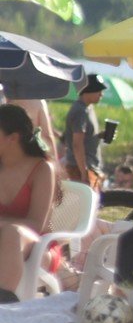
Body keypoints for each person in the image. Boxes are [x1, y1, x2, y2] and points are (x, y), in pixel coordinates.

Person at [0, 104, 57, 303]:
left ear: (12, 138)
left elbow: (36, 224)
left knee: (11, 234)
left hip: (36, 245)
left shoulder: (42, 169)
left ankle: (3, 303)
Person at [64, 74, 107, 188]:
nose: (101, 94)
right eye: (99, 91)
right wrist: (84, 173)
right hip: (80, 167)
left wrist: (100, 135)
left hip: (90, 166)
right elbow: (77, 144)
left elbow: (85, 137)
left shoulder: (88, 108)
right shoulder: (80, 111)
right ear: (88, 91)